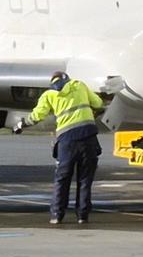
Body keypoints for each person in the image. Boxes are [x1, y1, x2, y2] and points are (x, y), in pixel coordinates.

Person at [24, 71, 105, 225]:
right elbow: (98, 104)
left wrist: (22, 123)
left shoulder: (49, 95)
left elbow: (37, 115)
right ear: (67, 79)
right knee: (85, 179)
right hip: (88, 138)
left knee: (62, 179)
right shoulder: (79, 85)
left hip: (67, 142)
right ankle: (82, 215)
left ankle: (57, 215)